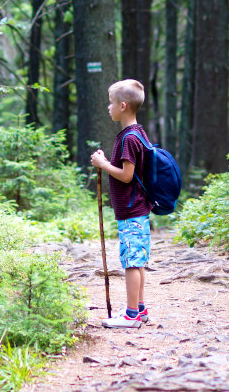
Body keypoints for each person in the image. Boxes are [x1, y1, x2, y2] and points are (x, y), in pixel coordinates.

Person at [90, 79, 151, 328]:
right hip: (137, 207)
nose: (108, 107)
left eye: (111, 103)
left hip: (131, 209)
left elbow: (126, 175)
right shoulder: (138, 133)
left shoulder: (129, 139)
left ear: (123, 106)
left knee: (131, 262)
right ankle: (141, 309)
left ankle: (131, 314)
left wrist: (103, 165)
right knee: (137, 260)